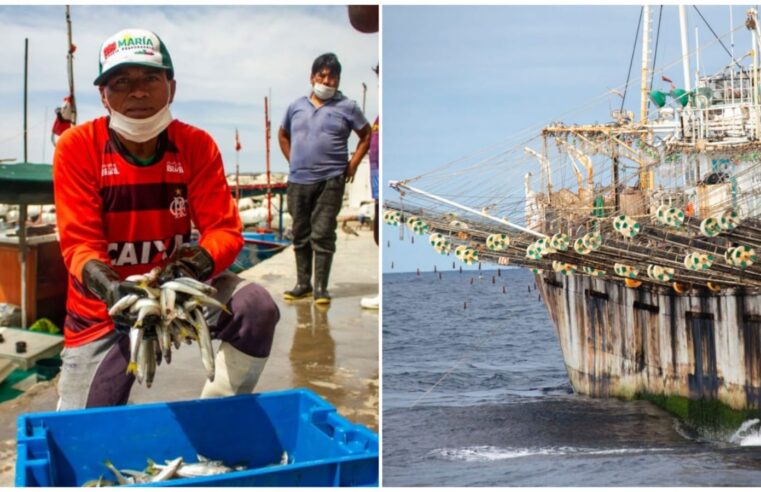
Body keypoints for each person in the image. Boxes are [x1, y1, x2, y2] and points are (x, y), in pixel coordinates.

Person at [53, 28, 279, 410]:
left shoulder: (196, 145)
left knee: (255, 308)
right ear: (103, 95)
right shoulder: (78, 147)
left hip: (180, 290)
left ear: (171, 88)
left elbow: (224, 230)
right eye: (121, 81)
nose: (137, 91)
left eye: (150, 78)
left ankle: (218, 415)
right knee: (80, 430)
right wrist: (112, 289)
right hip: (104, 309)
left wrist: (191, 265)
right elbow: (79, 245)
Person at [278, 53, 372, 305]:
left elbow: (366, 135)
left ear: (339, 80)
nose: (327, 81)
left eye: (332, 77)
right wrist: (293, 160)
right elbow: (283, 135)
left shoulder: (348, 107)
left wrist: (352, 165)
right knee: (300, 231)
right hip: (299, 179)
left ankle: (321, 287)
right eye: (322, 75)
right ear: (312, 77)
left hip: (331, 179)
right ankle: (302, 283)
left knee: (322, 233)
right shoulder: (295, 106)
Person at [360, 67, 380, 310]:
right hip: (376, 182)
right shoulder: (378, 118)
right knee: (377, 232)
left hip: (381, 181)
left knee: (379, 233)